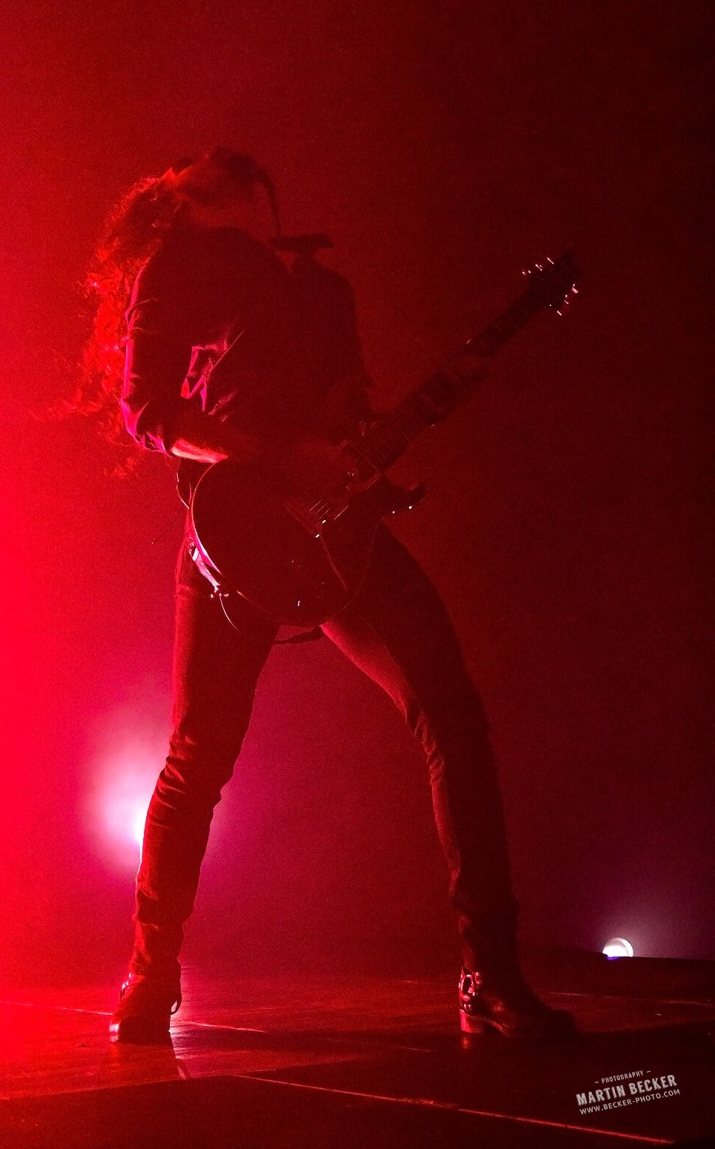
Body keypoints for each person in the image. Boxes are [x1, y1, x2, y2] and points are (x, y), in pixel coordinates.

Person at [88, 147, 575, 1043]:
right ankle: (151, 972)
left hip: (336, 527)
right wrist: (273, 457)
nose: (204, 189)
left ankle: (491, 972)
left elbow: (343, 416)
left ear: (259, 194)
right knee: (199, 756)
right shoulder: (178, 268)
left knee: (450, 713)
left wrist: (392, 425)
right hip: (233, 533)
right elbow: (146, 412)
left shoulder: (323, 287)